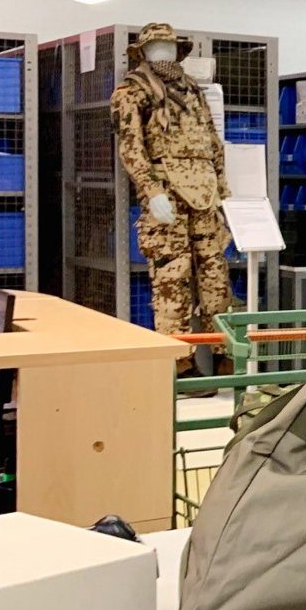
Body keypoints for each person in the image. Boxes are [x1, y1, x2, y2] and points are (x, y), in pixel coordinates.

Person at [110, 23, 234, 386]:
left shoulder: (192, 90)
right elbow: (130, 147)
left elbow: (213, 143)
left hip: (205, 195)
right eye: (155, 47)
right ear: (143, 53)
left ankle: (224, 354)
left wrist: (222, 192)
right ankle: (179, 363)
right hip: (167, 195)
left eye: (168, 45)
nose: (162, 52)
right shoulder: (131, 91)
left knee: (215, 275)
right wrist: (152, 191)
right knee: (171, 277)